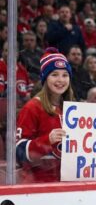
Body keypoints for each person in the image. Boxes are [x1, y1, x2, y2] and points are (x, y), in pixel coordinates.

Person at [16, 47, 75, 183]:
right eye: (54, 74)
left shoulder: (72, 108)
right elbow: (18, 153)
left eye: (65, 75)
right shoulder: (32, 108)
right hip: (39, 185)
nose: (60, 80)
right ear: (45, 78)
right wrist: (47, 140)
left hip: (69, 183)